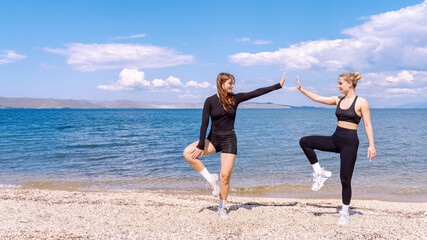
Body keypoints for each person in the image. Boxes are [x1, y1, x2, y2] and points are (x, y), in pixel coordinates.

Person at [183, 72, 286, 219]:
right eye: (230, 83)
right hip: (213, 140)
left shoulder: (235, 99)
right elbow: (204, 124)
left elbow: (256, 93)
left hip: (229, 140)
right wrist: (200, 144)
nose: (232, 86)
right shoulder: (210, 101)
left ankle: (222, 207)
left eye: (233, 83)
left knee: (225, 177)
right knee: (188, 153)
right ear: (221, 84)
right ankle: (211, 178)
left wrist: (277, 86)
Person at [297, 72, 376, 226]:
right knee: (305, 142)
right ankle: (319, 172)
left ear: (350, 84)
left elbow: (367, 124)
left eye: (340, 83)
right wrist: (302, 90)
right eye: (338, 83)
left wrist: (371, 145)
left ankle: (345, 213)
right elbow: (318, 98)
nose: (338, 86)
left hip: (350, 143)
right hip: (335, 139)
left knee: (345, 180)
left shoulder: (361, 102)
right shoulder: (337, 100)